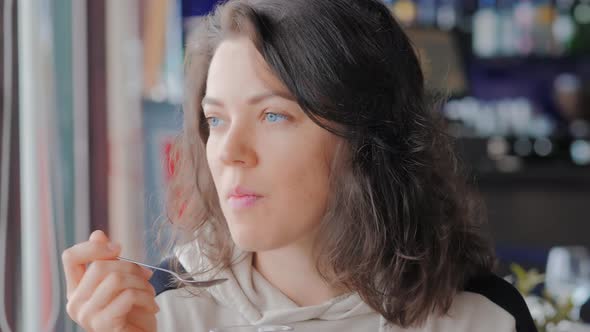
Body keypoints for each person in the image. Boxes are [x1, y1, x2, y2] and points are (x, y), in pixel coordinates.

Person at [61, 0, 538, 331]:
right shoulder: (157, 313)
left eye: (273, 115)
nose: (229, 151)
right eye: (216, 119)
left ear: (368, 136)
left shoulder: (484, 317)